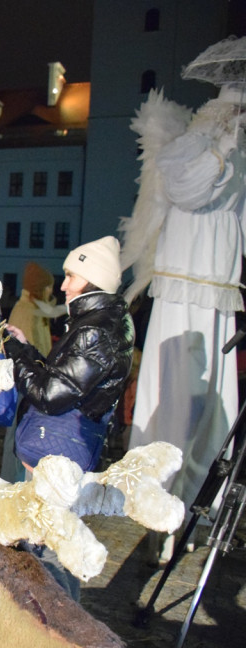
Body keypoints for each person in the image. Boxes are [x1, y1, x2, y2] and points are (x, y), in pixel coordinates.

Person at [120, 83, 246, 563]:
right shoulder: (191, 144)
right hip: (181, 289)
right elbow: (184, 189)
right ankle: (158, 511)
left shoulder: (241, 158)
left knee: (215, 411)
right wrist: (220, 152)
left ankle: (197, 508)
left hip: (218, 292)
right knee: (174, 407)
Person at [3, 236, 134, 600]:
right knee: (49, 537)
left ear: (92, 280)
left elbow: (50, 395)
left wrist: (17, 354)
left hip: (58, 450)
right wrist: (29, 349)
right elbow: (67, 379)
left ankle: (60, 631)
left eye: (71, 276)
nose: (63, 285)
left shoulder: (94, 330)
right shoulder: (105, 321)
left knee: (48, 545)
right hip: (66, 447)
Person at [7, 261, 64, 357]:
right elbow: (28, 349)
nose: (51, 291)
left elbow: (51, 311)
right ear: (40, 288)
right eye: (49, 287)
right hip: (33, 367)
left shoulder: (34, 306)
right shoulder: (27, 310)